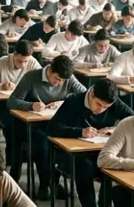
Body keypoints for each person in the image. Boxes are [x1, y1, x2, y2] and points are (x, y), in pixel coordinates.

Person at [46, 80, 134, 207]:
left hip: (99, 153)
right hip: (72, 156)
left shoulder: (113, 101)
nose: (101, 110)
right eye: (98, 104)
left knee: (112, 167)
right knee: (85, 168)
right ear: (91, 93)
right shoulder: (73, 101)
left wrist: (114, 129)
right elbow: (52, 128)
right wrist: (80, 132)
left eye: (106, 107)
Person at [6, 56, 86, 186]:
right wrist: (31, 105)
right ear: (50, 70)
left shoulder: (68, 78)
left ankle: (54, 180)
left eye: (63, 81)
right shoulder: (31, 77)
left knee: (71, 143)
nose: (59, 83)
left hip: (56, 124)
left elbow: (85, 96)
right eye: (57, 79)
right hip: (33, 125)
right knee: (43, 146)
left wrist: (63, 102)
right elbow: (12, 101)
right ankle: (46, 184)